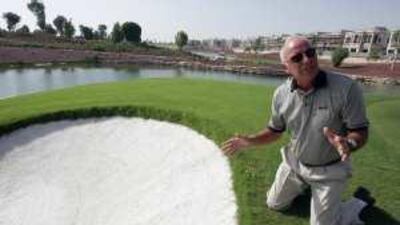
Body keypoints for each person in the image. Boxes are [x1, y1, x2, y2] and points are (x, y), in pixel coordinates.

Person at [222, 36, 375, 225]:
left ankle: (355, 204)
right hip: (296, 164)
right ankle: (307, 189)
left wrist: (348, 144)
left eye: (310, 53)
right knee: (274, 203)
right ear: (286, 67)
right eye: (297, 58)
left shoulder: (346, 89)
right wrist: (250, 141)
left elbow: (360, 130)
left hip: (329, 170)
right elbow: (275, 131)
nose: (307, 59)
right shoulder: (281, 94)